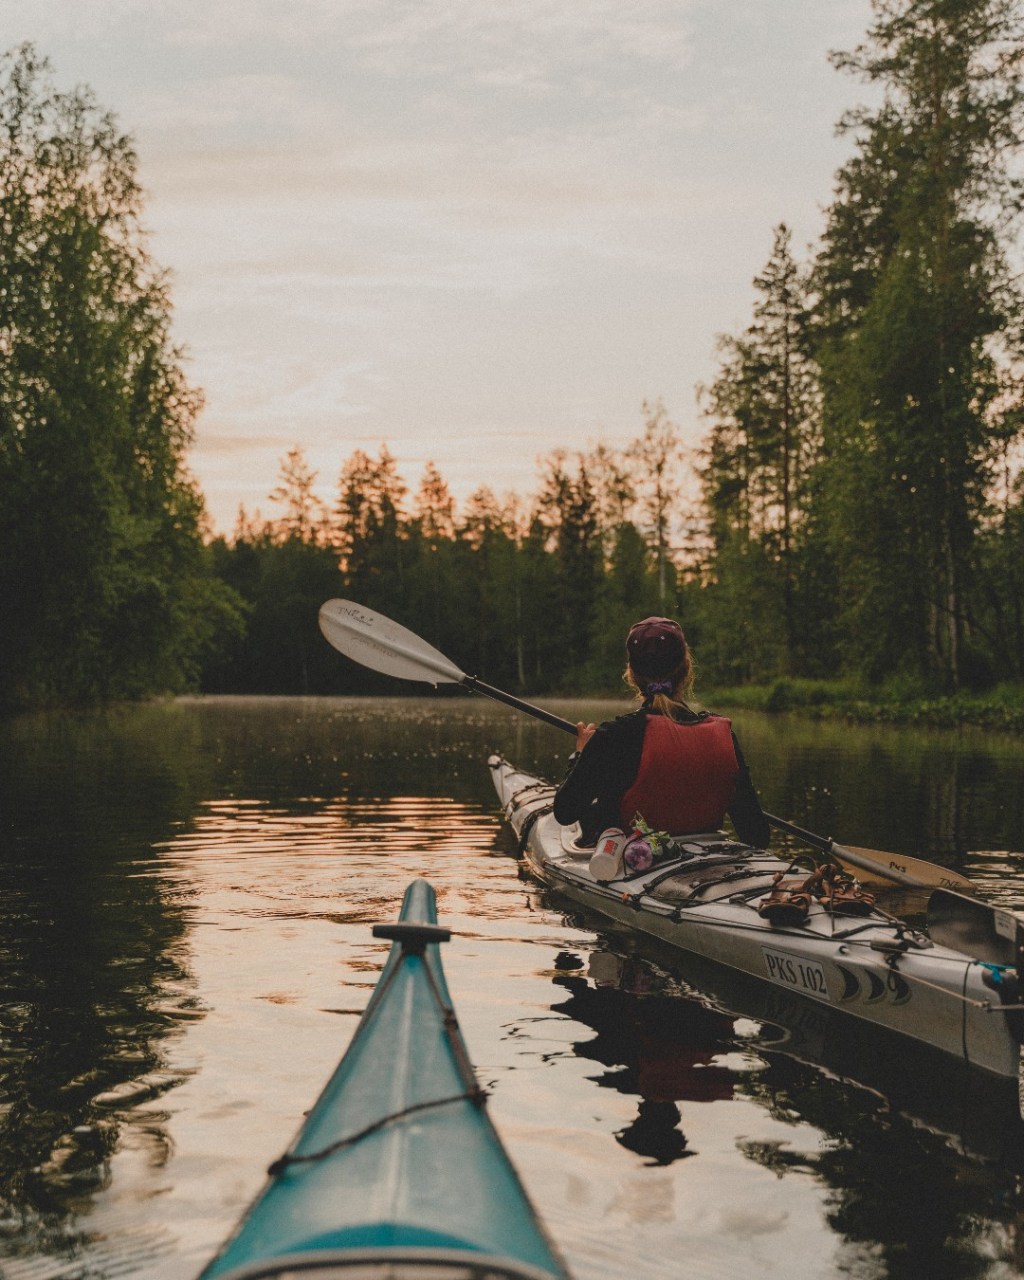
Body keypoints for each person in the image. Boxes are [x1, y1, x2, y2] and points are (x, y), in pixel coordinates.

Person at [553, 616, 770, 848]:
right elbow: (757, 836)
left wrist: (581, 754)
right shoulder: (723, 737)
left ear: (631, 673)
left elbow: (565, 813)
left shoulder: (614, 736)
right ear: (686, 667)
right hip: (706, 857)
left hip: (632, 864)